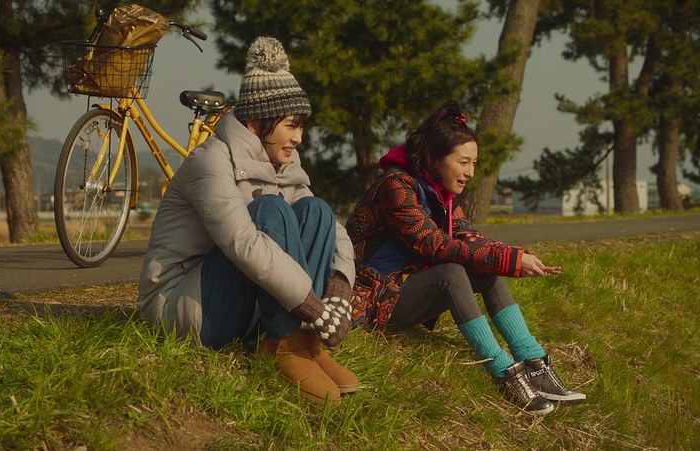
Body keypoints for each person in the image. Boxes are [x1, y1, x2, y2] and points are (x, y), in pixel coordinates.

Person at [138, 36, 358, 404]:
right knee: (269, 210)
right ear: (257, 121)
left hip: (236, 299)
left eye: (301, 127)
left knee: (317, 210)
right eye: (291, 126)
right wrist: (312, 307)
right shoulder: (211, 161)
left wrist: (339, 289)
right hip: (182, 305)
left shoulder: (283, 162)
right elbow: (242, 243)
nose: (299, 138)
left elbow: (331, 231)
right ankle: (285, 343)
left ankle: (306, 344)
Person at [345, 100, 585, 415]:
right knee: (452, 273)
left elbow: (468, 237)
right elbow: (433, 244)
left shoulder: (440, 193)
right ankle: (503, 372)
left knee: (485, 267)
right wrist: (507, 259)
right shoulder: (396, 187)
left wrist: (514, 257)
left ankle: (534, 362)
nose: (470, 172)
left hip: (402, 291)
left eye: (474, 163)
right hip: (373, 302)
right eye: (463, 162)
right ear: (435, 158)